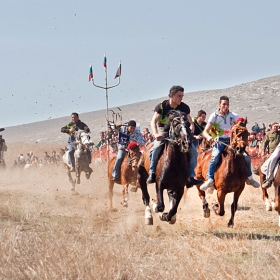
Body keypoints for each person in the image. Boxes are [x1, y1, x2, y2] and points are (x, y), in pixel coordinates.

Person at [146, 85, 204, 186]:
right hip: (163, 131)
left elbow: (191, 122)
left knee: (193, 152)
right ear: (171, 95)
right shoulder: (162, 106)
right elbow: (153, 121)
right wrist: (155, 133)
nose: (181, 98)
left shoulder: (184, 107)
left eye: (182, 96)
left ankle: (190, 176)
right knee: (155, 149)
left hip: (178, 132)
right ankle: (152, 173)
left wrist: (191, 127)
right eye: (179, 96)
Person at [199, 95, 260, 191]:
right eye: (224, 104)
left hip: (232, 142)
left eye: (227, 104)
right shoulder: (214, 116)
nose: (226, 106)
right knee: (215, 157)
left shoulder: (233, 115)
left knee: (246, 157)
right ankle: (210, 179)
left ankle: (249, 177)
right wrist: (209, 137)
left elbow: (241, 123)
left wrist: (244, 130)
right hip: (219, 142)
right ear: (219, 104)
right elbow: (205, 131)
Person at [260, 122, 280, 188]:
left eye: (277, 126)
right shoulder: (268, 134)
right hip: (272, 152)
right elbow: (265, 143)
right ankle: (268, 179)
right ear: (272, 127)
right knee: (272, 160)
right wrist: (263, 151)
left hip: (279, 150)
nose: (276, 128)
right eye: (274, 126)